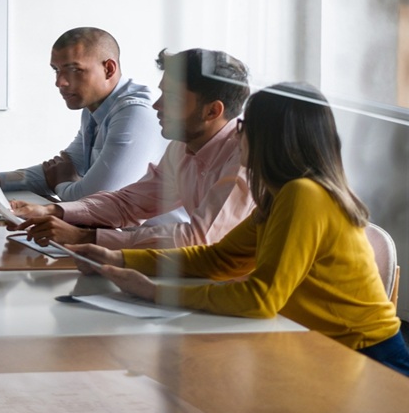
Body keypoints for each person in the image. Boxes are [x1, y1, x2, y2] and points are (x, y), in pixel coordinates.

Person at [68, 83, 409, 377]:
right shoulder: (281, 194)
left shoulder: (304, 195)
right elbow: (219, 258)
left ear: (271, 136)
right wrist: (121, 258)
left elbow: (260, 298)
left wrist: (154, 292)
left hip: (368, 358)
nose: (238, 132)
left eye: (246, 123)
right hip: (324, 347)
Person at [12, 48, 254, 249]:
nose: (157, 105)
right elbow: (128, 204)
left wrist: (85, 238)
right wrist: (52, 210)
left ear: (212, 111)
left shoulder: (246, 158)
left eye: (172, 98)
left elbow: (199, 239)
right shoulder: (182, 147)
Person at [0, 28, 165, 200]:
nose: (60, 82)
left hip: (155, 228)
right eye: (56, 70)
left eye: (75, 70)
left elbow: (94, 201)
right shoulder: (95, 106)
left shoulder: (135, 112)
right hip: (118, 227)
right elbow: (58, 170)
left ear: (109, 69)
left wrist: (62, 182)